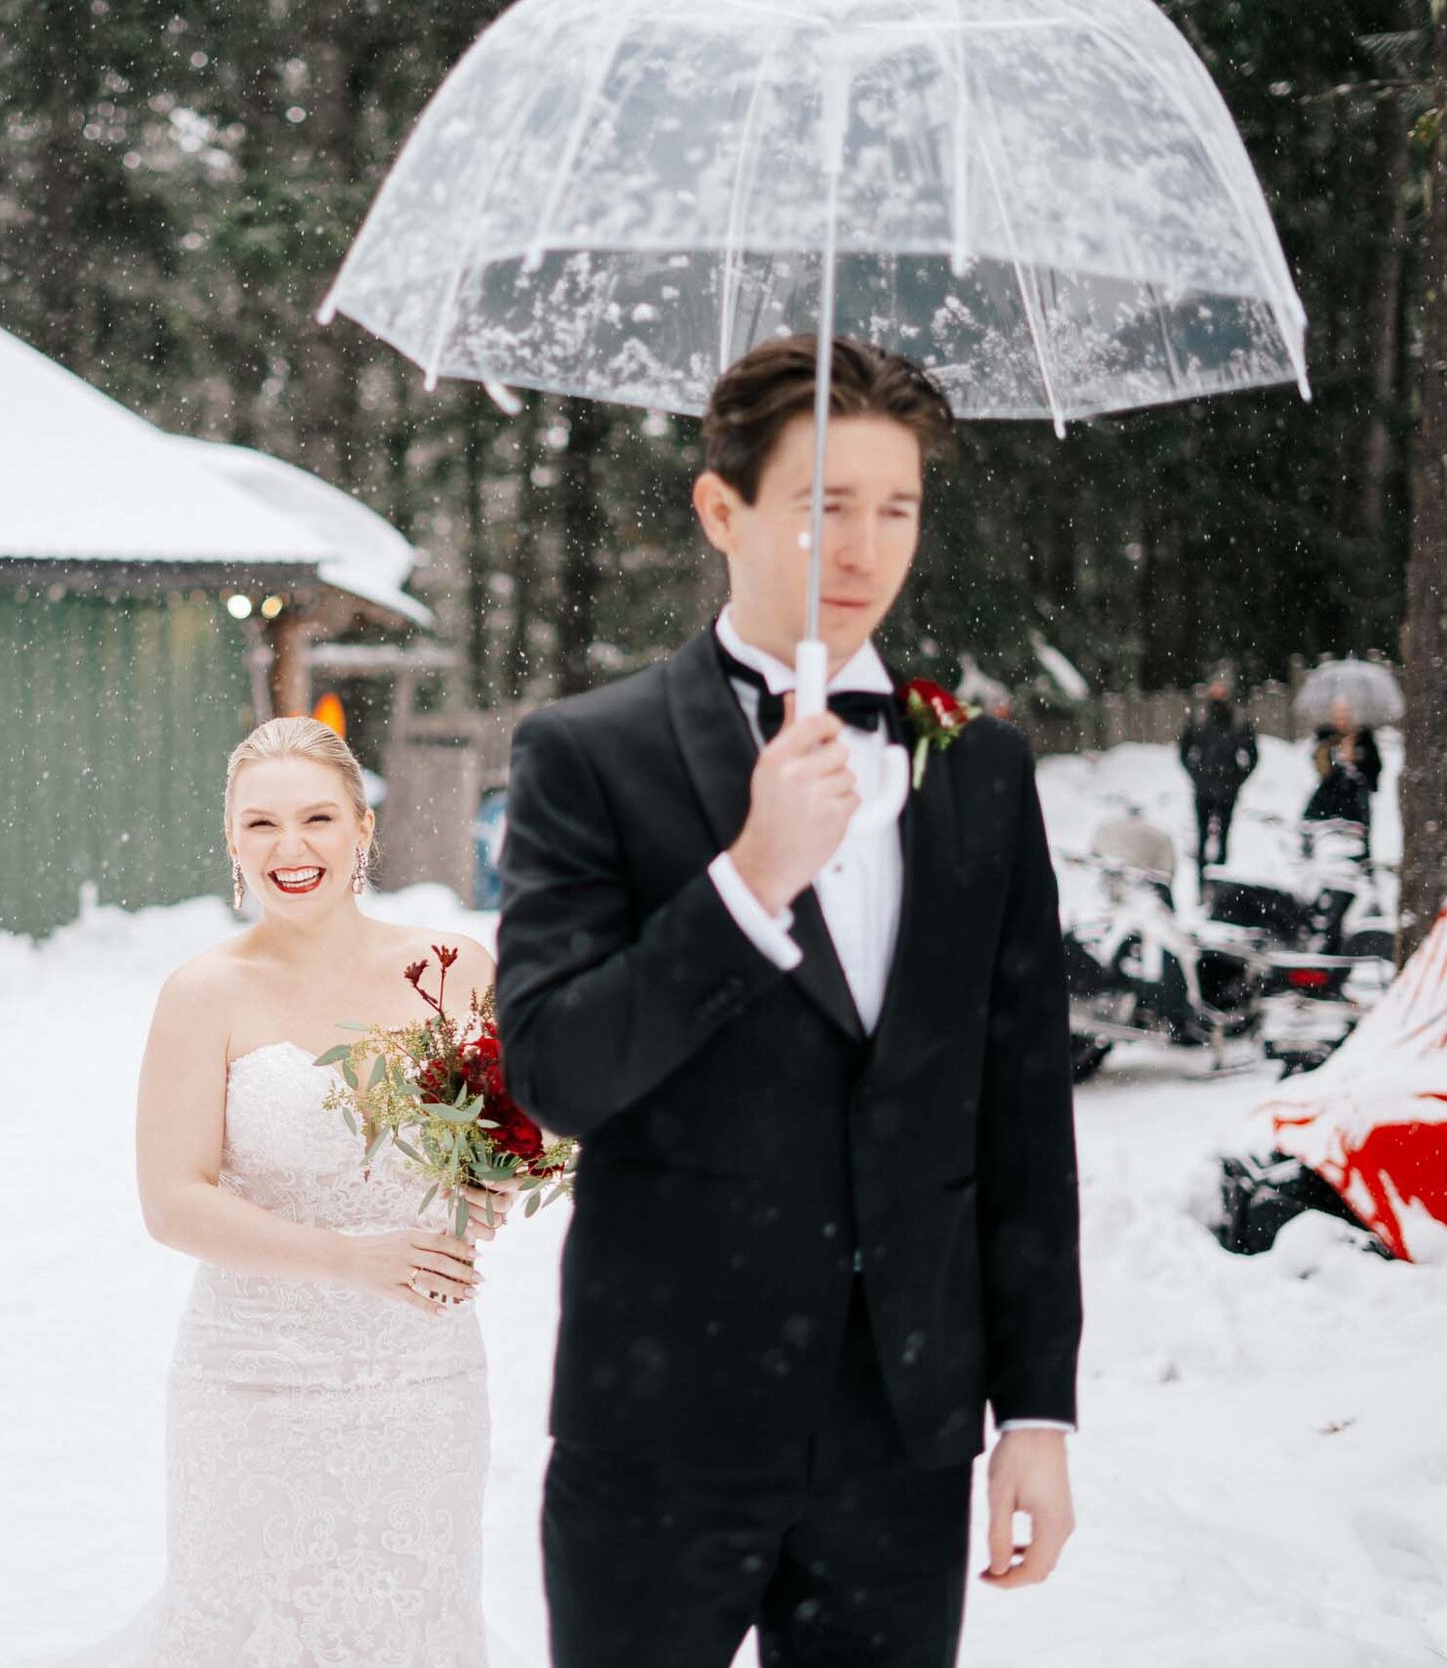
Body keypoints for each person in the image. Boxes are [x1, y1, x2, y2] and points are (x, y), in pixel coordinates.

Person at [496, 336, 1081, 1667]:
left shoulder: (977, 766)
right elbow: (554, 1069)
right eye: (826, 505)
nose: (866, 547)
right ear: (723, 511)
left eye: (898, 508)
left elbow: (1022, 1120)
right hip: (659, 1430)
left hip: (906, 1438)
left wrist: (1035, 1411)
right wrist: (750, 882)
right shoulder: (590, 755)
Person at [81, 716, 509, 1666]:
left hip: (422, 1383)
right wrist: (349, 1260)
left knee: (414, 1617)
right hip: (252, 1381)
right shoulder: (203, 994)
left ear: (364, 828)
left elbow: (485, 1154)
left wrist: (485, 1199)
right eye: (261, 825)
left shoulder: (452, 972)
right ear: (232, 842)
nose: (292, 848)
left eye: (317, 818)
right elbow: (172, 1201)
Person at [1178, 672, 1258, 870]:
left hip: (1227, 789)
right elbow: (1184, 751)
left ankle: (1220, 882)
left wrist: (1237, 778)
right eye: (1215, 688)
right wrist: (1197, 775)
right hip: (1204, 788)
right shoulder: (1200, 719)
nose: (1218, 692)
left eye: (1222, 688)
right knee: (1202, 837)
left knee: (1223, 839)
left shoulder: (1238, 721)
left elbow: (1252, 755)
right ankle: (1202, 884)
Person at [1302, 694, 1382, 832]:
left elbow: (1375, 767)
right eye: (1338, 716)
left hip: (1356, 803)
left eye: (1345, 714)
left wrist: (1355, 758)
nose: (1342, 720)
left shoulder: (1364, 739)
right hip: (1329, 801)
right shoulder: (1326, 739)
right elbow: (1321, 767)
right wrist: (1335, 755)